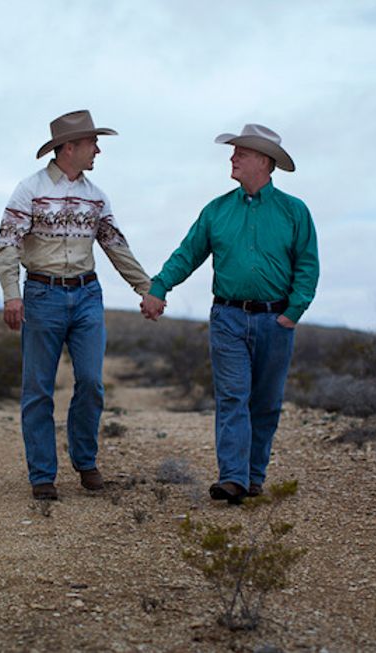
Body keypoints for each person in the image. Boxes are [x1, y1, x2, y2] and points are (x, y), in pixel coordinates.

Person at [141, 124, 319, 504]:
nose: (233, 157)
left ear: (264, 162)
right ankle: (233, 478)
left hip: (275, 321)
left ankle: (253, 477)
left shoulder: (294, 212)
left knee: (265, 404)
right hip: (228, 318)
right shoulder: (216, 211)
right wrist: (159, 287)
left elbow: (307, 265)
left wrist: (293, 312)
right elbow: (187, 254)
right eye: (234, 151)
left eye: (242, 152)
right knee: (233, 397)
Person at [0, 110, 155, 501]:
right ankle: (42, 475)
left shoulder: (96, 196)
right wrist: (11, 293)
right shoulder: (29, 190)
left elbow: (116, 246)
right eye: (92, 143)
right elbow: (7, 244)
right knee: (38, 388)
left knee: (92, 382)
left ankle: (86, 462)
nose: (97, 150)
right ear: (69, 147)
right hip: (42, 294)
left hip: (87, 295)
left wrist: (146, 288)